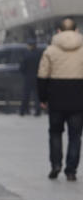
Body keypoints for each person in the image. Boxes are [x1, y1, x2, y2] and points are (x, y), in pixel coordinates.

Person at [37, 18, 83, 181]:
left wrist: (43, 98)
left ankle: (56, 165)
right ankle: (71, 170)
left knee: (55, 132)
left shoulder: (50, 50)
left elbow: (42, 76)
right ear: (76, 31)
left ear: (58, 31)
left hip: (56, 97)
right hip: (78, 98)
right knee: (75, 135)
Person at [20, 42, 43, 116]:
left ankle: (23, 111)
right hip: (37, 76)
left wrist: (24, 73)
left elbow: (22, 67)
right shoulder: (39, 54)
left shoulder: (26, 54)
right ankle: (38, 111)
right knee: (36, 95)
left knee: (26, 95)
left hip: (28, 77)